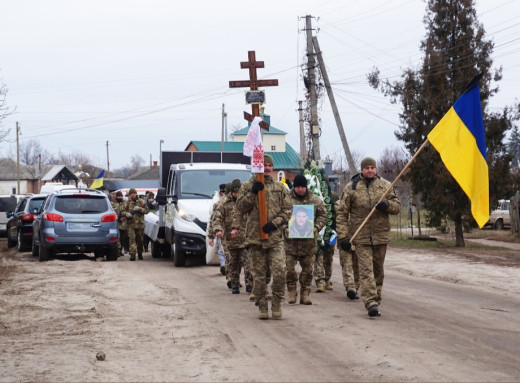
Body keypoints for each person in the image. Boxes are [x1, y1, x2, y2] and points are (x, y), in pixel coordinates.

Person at [336, 157, 400, 317]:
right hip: (361, 236)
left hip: (380, 235)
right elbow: (342, 213)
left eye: (372, 167)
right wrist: (343, 236)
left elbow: (397, 207)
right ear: (362, 170)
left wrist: (387, 206)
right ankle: (370, 302)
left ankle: (376, 298)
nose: (370, 170)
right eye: (367, 168)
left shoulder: (385, 186)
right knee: (366, 270)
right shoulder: (352, 187)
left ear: (376, 169)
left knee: (378, 271)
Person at [233, 154, 292, 320]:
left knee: (280, 271)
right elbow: (240, 207)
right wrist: (253, 193)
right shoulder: (247, 186)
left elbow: (288, 210)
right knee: (258, 276)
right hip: (255, 238)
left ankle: (277, 303)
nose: (266, 168)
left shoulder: (280, 188)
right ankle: (262, 306)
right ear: (258, 167)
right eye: (263, 165)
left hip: (275, 238)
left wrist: (275, 223)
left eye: (269, 165)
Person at [284, 174, 327, 305]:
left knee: (308, 270)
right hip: (290, 243)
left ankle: (305, 293)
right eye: (298, 187)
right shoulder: (286, 199)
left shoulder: (315, 200)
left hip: (308, 243)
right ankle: (291, 291)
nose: (301, 189)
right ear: (294, 187)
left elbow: (323, 215)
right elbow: (278, 214)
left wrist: (317, 228)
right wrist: (284, 227)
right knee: (289, 269)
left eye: (303, 187)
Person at [212, 179, 252, 294]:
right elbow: (217, 219)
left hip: (245, 239)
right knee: (233, 264)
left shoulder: (245, 203)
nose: (236, 194)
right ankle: (234, 285)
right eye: (234, 192)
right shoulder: (224, 204)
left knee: (248, 263)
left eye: (238, 192)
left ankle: (249, 284)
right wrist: (218, 230)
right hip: (231, 240)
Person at [334, 200, 360, 300]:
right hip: (344, 240)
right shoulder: (339, 204)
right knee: (346, 264)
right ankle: (350, 287)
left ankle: (356, 287)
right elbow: (339, 214)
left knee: (357, 266)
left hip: (358, 240)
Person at [124, 187, 149, 261]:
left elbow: (147, 210)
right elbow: (122, 211)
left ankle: (140, 253)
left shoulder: (142, 201)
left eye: (134, 193)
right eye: (131, 194)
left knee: (140, 240)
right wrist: (126, 214)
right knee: (132, 240)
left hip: (140, 225)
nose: (133, 195)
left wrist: (140, 209)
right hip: (131, 224)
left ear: (136, 193)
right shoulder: (127, 202)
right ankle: (132, 255)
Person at [111, 190, 128, 257]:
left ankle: (120, 250)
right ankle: (117, 251)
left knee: (123, 239)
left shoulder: (125, 203)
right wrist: (118, 218)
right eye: (118, 196)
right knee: (117, 238)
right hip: (116, 223)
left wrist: (124, 218)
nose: (120, 197)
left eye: (121, 196)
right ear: (116, 196)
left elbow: (128, 211)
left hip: (124, 223)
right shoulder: (112, 203)